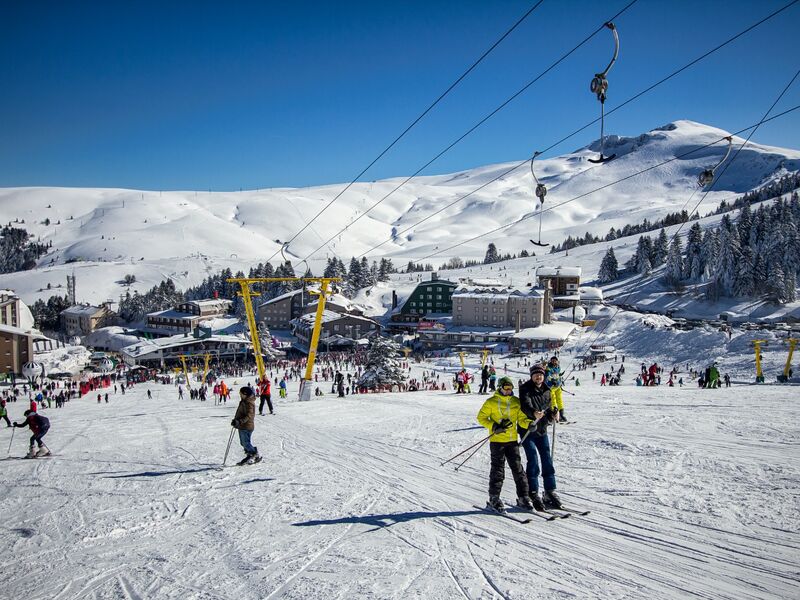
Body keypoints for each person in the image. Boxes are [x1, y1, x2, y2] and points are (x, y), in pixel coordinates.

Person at [476, 376, 533, 514]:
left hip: (512, 440)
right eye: (506, 388)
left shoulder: (515, 402)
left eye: (510, 388)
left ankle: (523, 497)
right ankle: (494, 498)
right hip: (497, 441)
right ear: (500, 388)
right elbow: (481, 417)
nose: (508, 391)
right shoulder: (491, 402)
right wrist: (494, 426)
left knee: (518, 470)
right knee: (498, 470)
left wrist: (528, 424)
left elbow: (521, 418)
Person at [518, 365, 562, 511]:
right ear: (531, 376)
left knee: (547, 460)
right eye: (536, 375)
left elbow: (549, 408)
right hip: (528, 431)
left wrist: (553, 414)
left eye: (541, 375)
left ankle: (550, 491)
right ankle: (533, 492)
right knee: (534, 461)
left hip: (542, 430)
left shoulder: (547, 390)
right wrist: (533, 413)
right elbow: (525, 406)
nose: (538, 377)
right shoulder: (525, 389)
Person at [231, 386, 260, 466]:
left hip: (246, 426)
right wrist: (236, 421)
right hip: (242, 425)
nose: (240, 394)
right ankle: (250, 454)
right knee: (243, 443)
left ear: (245, 394)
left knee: (245, 443)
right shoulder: (244, 401)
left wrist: (239, 421)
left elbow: (249, 415)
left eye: (241, 393)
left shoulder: (249, 403)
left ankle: (254, 454)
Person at [545, 357, 567, 422]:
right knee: (553, 400)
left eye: (555, 361)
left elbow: (557, 375)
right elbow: (548, 375)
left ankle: (561, 414)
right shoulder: (549, 367)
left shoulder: (558, 367)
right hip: (551, 386)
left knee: (559, 400)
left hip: (558, 386)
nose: (554, 362)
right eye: (552, 361)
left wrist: (560, 375)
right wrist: (552, 380)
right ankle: (554, 415)